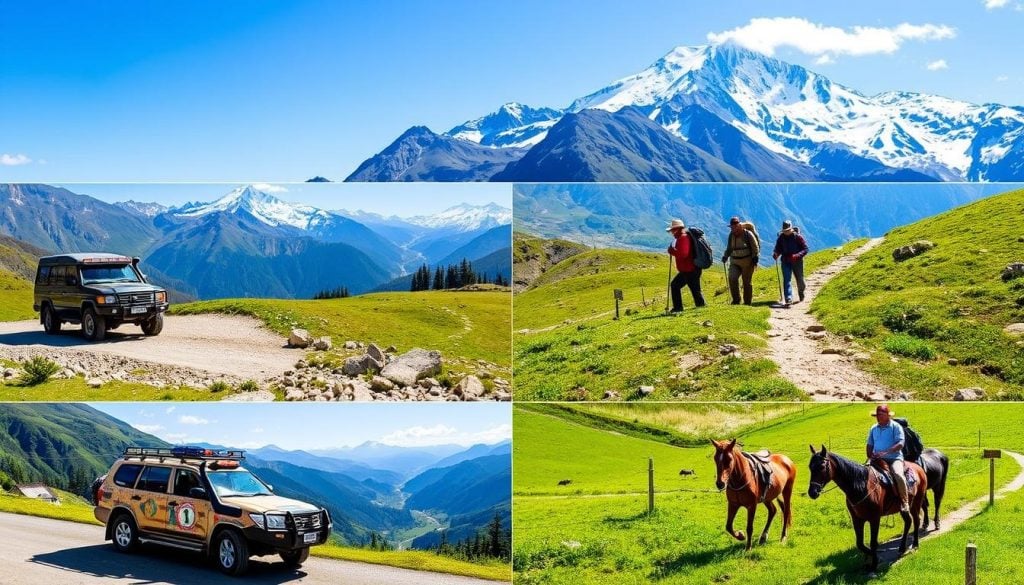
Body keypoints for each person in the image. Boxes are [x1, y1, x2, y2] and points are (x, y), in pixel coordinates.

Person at [867, 404, 910, 513]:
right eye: (877, 415)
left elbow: (900, 443)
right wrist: (869, 454)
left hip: (894, 458)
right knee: (864, 473)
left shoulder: (896, 427)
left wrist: (886, 452)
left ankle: (905, 502)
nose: (878, 417)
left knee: (898, 475)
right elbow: (870, 443)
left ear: (887, 415)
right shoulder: (873, 428)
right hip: (877, 459)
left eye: (881, 415)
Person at [666, 219, 705, 313]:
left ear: (676, 229)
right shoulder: (683, 237)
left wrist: (672, 251)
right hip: (691, 269)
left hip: (689, 270)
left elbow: (683, 254)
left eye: (672, 230)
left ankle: (678, 308)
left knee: (675, 285)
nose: (671, 232)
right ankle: (700, 307)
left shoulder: (683, 238)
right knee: (695, 290)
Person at [721, 217, 759, 305]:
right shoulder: (731, 235)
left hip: (748, 262)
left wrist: (755, 257)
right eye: (732, 227)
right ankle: (736, 300)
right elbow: (729, 248)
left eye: (735, 227)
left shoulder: (748, 234)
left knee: (746, 282)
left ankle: (747, 302)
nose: (733, 229)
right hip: (734, 262)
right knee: (732, 278)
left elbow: (755, 247)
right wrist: (725, 256)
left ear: (739, 225)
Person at [772, 220, 809, 304]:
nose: (786, 232)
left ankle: (801, 292)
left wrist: (796, 256)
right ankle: (788, 298)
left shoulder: (798, 237)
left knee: (800, 279)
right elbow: (778, 248)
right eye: (785, 231)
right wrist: (776, 253)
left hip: (797, 261)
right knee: (787, 279)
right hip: (785, 261)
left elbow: (806, 249)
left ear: (791, 229)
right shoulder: (781, 238)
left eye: (788, 230)